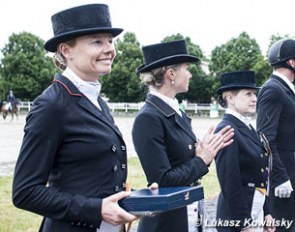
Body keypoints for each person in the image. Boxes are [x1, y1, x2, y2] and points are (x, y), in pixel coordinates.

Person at [12, 4, 139, 232]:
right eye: (96, 41)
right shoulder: (51, 105)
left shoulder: (98, 101)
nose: (110, 49)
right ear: (66, 50)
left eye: (110, 40)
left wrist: (135, 198)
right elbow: (25, 192)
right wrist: (96, 209)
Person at [132, 39, 235, 232]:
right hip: (166, 223)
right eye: (187, 69)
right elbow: (163, 180)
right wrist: (202, 159)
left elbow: (186, 164)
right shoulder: (149, 118)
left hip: (188, 213)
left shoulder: (175, 112)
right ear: (171, 74)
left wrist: (205, 153)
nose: (190, 74)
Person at [214, 70, 275, 232]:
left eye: (255, 94)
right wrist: (243, 224)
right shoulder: (227, 128)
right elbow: (230, 182)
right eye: (248, 94)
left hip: (254, 211)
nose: (254, 99)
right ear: (230, 98)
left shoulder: (246, 126)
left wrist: (267, 212)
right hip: (236, 219)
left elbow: (260, 175)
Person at [256, 38, 295, 232]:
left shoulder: (286, 90)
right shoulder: (273, 89)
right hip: (283, 177)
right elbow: (264, 138)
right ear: (292, 62)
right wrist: (280, 176)